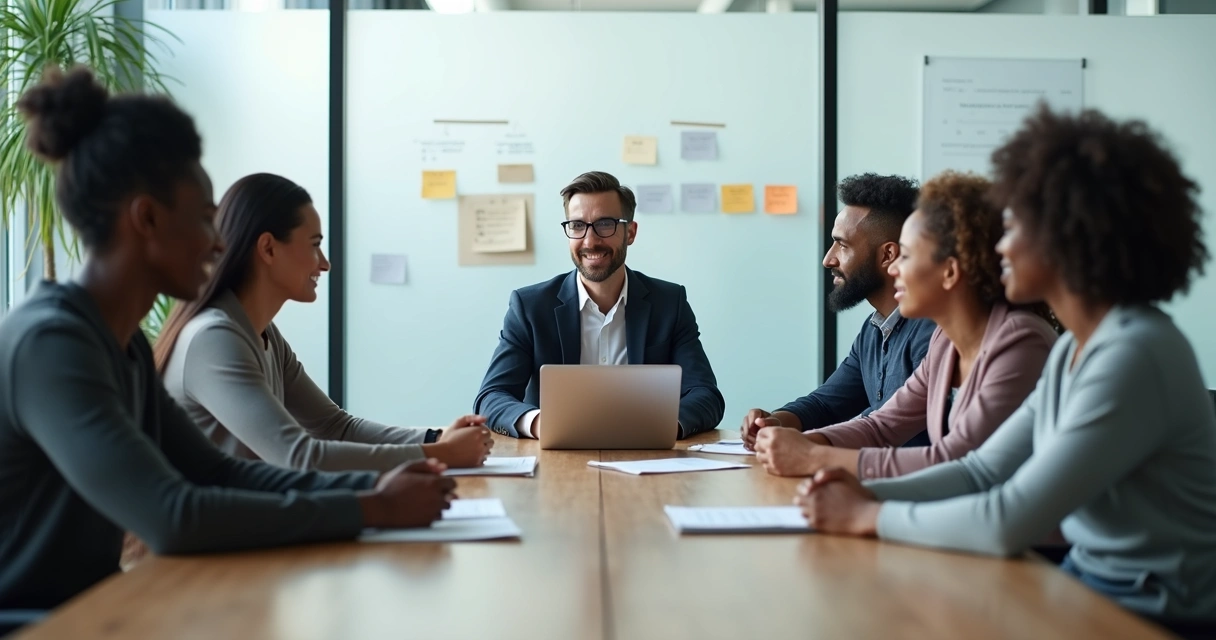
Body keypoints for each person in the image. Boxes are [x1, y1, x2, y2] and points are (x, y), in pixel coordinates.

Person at [0, 67, 455, 615]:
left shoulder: (124, 346)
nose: (219, 242)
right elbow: (173, 515)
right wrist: (371, 508)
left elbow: (218, 471)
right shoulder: (53, 344)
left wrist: (376, 489)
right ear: (145, 219)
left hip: (98, 613)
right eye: (203, 220)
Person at [796, 106, 1216, 625]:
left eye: (1016, 227)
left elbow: (1007, 517)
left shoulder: (1135, 353)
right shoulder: (1073, 349)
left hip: (1146, 614)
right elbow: (982, 470)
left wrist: (867, 513)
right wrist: (859, 492)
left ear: (1075, 237)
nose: (1001, 246)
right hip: (1087, 586)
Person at [155, 173, 493, 472]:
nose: (326, 264)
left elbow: (333, 426)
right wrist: (440, 454)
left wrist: (436, 438)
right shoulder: (214, 338)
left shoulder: (261, 332)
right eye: (315, 245)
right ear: (268, 249)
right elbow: (298, 456)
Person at [755, 172, 1058, 480]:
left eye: (908, 255)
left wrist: (814, 456)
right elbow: (881, 426)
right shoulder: (946, 341)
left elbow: (959, 463)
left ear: (950, 272)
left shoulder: (1020, 342)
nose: (895, 266)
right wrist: (801, 442)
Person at [474, 171, 724, 439]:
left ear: (630, 232)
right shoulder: (530, 307)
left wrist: (661, 425)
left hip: (648, 457)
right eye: (578, 225)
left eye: (605, 224)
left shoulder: (669, 303)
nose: (590, 241)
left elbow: (706, 395)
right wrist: (539, 423)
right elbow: (491, 397)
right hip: (555, 461)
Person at [741, 174, 936, 450]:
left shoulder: (932, 331)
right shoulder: (874, 329)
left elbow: (882, 427)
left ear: (887, 255)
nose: (828, 259)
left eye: (842, 245)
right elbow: (825, 404)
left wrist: (805, 447)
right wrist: (774, 423)